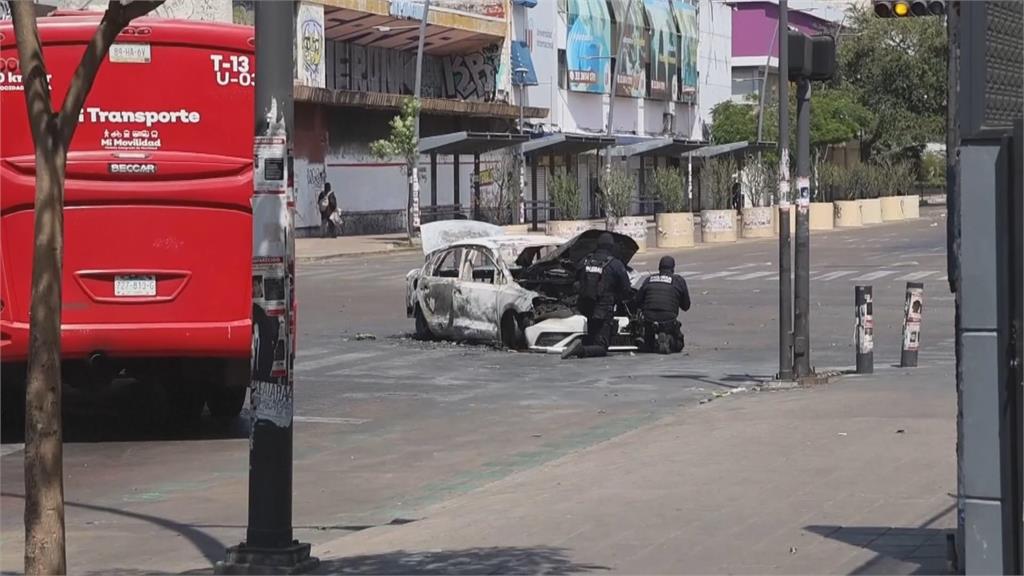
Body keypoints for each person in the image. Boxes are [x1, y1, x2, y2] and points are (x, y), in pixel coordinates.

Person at [562, 232, 632, 359]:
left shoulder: (585, 260)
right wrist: (617, 299)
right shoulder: (615, 264)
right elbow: (626, 289)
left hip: (586, 308)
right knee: (602, 347)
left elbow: (575, 281)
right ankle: (580, 349)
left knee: (591, 338)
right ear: (611, 247)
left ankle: (583, 346)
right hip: (604, 310)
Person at [635, 255, 691, 354]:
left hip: (649, 318)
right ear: (673, 268)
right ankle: (668, 340)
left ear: (659, 267)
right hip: (668, 318)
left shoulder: (649, 279)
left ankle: (649, 342)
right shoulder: (678, 281)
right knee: (679, 344)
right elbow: (686, 306)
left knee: (647, 345)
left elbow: (638, 301)